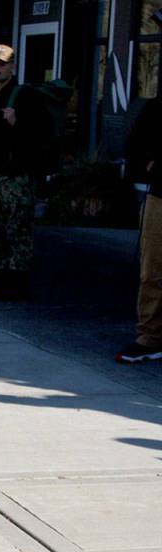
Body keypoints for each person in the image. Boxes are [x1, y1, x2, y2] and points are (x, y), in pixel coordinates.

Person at [0, 44, 41, 299]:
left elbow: (40, 137)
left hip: (18, 177)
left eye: (2, 63)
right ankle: (2, 276)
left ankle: (18, 281)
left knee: (18, 230)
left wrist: (19, 123)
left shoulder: (25, 96)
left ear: (13, 66)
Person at [116, 95, 162, 363]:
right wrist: (149, 164)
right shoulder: (157, 107)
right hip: (160, 196)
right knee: (153, 269)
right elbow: (135, 145)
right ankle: (151, 337)